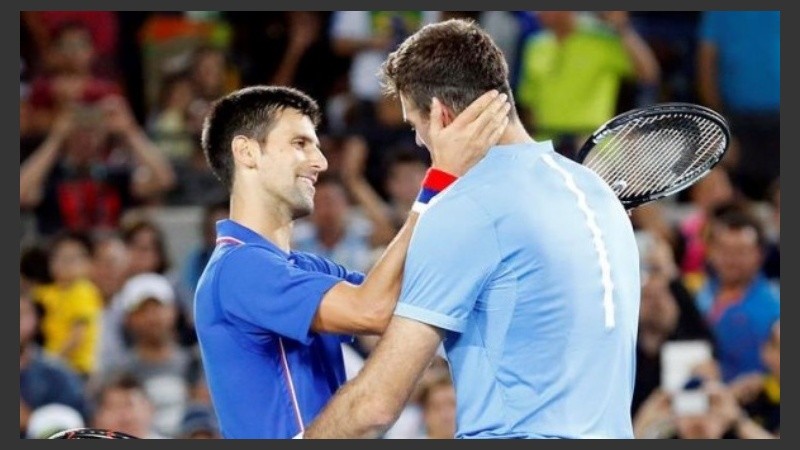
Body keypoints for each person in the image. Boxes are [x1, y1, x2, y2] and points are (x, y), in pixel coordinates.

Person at [303, 19, 641, 439]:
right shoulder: (596, 190)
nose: (421, 142)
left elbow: (375, 404)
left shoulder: (464, 209)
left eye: (416, 126)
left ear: (442, 115)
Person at [193, 85, 509, 438]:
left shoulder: (309, 268)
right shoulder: (238, 267)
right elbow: (371, 311)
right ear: (247, 152)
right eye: (301, 144)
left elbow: (402, 300)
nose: (321, 162)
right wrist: (440, 180)